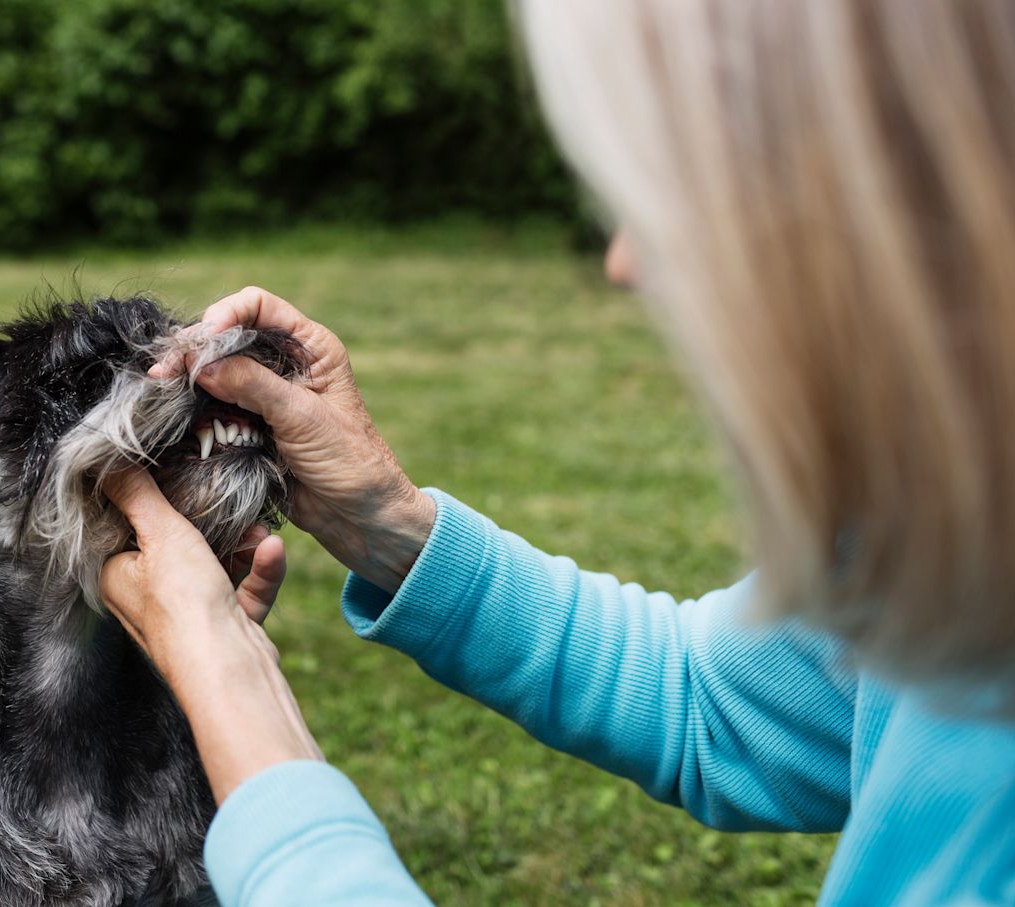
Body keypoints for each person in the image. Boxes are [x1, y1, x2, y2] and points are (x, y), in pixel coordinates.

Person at [99, 2, 1015, 904]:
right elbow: (707, 706)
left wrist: (236, 699)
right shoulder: (975, 546)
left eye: (702, 168)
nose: (624, 260)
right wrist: (386, 520)